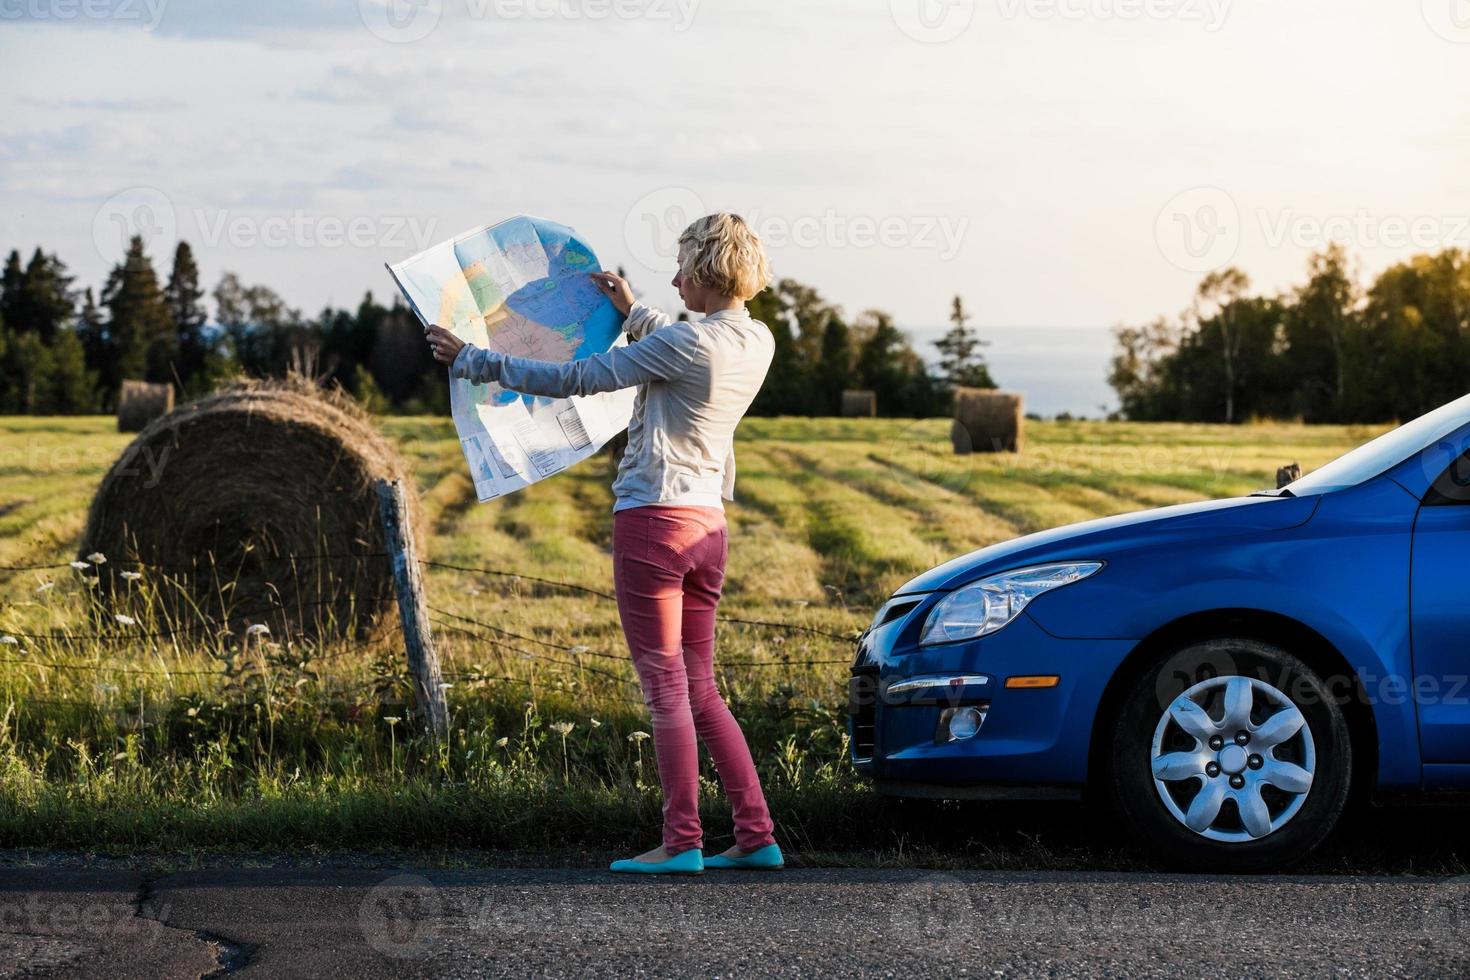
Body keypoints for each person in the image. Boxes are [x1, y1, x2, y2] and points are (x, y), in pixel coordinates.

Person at [424, 213, 783, 875]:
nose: (675, 279)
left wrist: (472, 359)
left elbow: (581, 378)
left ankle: (681, 844)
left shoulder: (688, 345)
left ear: (706, 272)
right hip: (709, 528)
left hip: (655, 522)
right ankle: (757, 835)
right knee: (702, 690)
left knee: (667, 692)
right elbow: (678, 341)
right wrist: (633, 308)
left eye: (683, 268)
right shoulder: (755, 339)